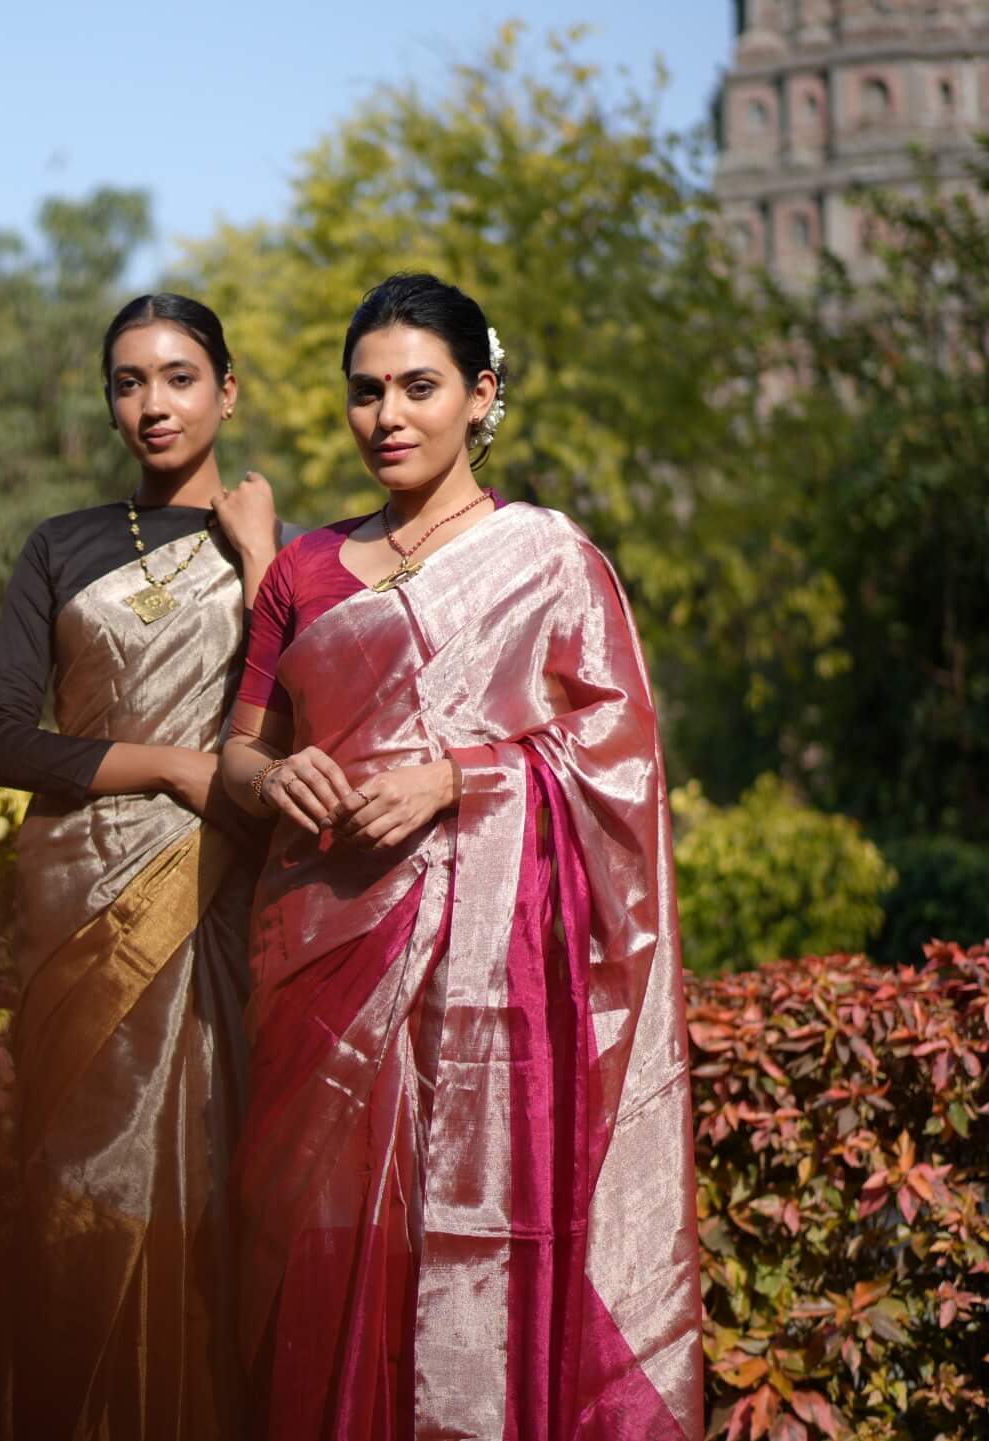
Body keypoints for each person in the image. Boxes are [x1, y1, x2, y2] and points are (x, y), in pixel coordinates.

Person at [219, 272, 703, 1439]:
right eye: (365, 391)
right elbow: (238, 756)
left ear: (481, 396)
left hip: (493, 995)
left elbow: (617, 759)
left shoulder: (548, 561)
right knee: (324, 1268)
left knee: (477, 1260)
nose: (387, 415)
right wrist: (278, 777)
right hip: (322, 970)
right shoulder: (304, 571)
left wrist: (462, 778)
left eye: (418, 387)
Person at [0, 292, 285, 1441]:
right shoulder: (62, 544)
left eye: (179, 376)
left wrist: (260, 561)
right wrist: (172, 767)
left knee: (219, 1194)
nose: (153, 402)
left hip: (224, 904)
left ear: (228, 390)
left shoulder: (284, 558)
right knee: (78, 1193)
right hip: (82, 899)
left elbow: (301, 721)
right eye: (129, 381)